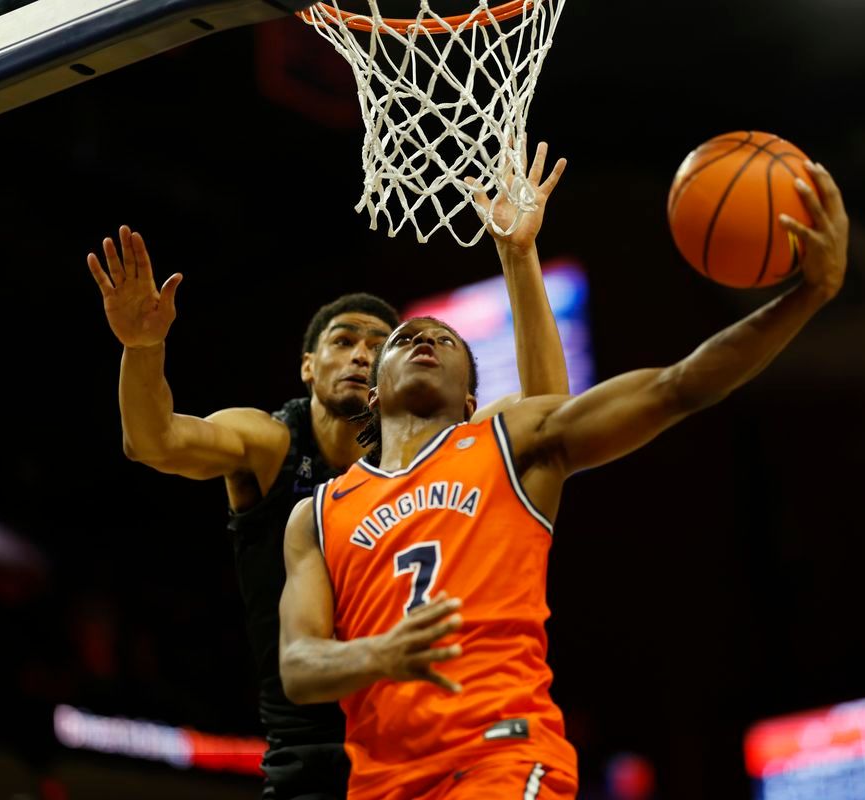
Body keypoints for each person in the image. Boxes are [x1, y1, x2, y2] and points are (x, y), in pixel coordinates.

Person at [277, 161, 850, 799]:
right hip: (382, 785)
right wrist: (377, 656)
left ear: (471, 399)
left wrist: (806, 296)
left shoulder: (502, 447)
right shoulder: (320, 513)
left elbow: (677, 386)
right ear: (374, 393)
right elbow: (298, 665)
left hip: (501, 757)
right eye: (407, 337)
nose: (422, 341)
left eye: (442, 340)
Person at [85, 144, 570, 799]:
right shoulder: (269, 441)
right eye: (344, 340)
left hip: (430, 736)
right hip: (311, 749)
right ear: (309, 366)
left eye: (380, 342)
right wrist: (143, 350)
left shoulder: (440, 451)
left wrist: (519, 255)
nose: (362, 353)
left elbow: (548, 414)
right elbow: (155, 441)